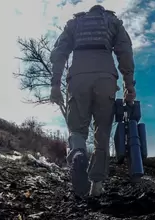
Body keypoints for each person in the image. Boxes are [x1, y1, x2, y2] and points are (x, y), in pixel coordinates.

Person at [49, 4, 136, 198]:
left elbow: (59, 52)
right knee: (102, 132)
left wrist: (55, 83)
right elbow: (125, 53)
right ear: (103, 11)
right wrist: (129, 85)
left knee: (78, 129)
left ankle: (79, 153)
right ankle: (96, 184)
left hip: (78, 76)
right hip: (106, 78)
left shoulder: (75, 23)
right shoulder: (113, 22)